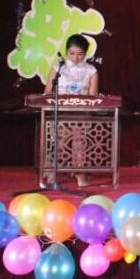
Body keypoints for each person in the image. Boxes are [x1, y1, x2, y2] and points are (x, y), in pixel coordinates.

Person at [43, 34, 99, 187]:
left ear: (85, 53)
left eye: (80, 54)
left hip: (81, 114)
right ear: (66, 52)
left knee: (79, 144)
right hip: (60, 113)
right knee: (60, 144)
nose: (75, 58)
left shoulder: (91, 71)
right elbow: (47, 92)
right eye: (72, 53)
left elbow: (92, 96)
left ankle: (80, 175)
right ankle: (52, 173)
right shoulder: (58, 68)